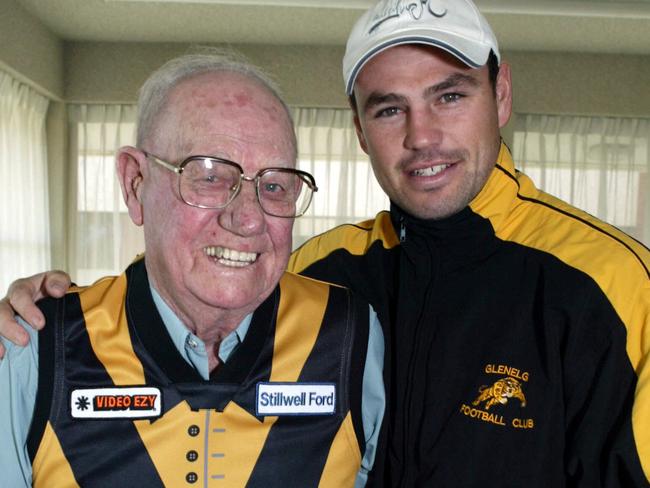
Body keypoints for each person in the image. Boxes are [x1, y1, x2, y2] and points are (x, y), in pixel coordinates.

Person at [2, 0, 649, 486]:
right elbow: (187, 288)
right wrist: (55, 312)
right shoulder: (322, 272)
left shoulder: (616, 285)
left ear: (500, 94)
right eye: (390, 108)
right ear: (360, 129)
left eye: (450, 96)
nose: (423, 137)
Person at [0, 52, 385, 487]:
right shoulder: (33, 347)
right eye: (209, 175)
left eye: (274, 185)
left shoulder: (354, 336)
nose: (249, 218)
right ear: (135, 184)